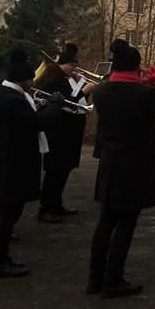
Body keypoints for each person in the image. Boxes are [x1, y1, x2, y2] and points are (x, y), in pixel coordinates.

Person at [88, 39, 155, 297]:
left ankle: (95, 279)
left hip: (110, 165)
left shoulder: (101, 92)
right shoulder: (144, 93)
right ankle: (113, 279)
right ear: (136, 67)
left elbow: (127, 94)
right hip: (134, 166)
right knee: (126, 224)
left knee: (106, 222)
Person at [0, 50, 63, 278]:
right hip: (14, 164)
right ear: (22, 79)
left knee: (8, 215)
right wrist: (54, 106)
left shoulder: (7, 94)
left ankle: (1, 259)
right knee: (7, 216)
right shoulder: (11, 98)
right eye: (30, 79)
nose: (33, 82)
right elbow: (36, 123)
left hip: (12, 162)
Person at [38, 43, 97, 223]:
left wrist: (82, 88)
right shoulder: (55, 80)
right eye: (71, 65)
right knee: (55, 171)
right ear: (62, 64)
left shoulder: (68, 79)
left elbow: (79, 103)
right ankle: (45, 208)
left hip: (70, 130)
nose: (74, 69)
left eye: (75, 65)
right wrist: (84, 89)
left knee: (64, 169)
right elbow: (67, 102)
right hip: (59, 131)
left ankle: (56, 205)